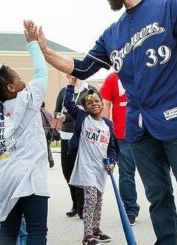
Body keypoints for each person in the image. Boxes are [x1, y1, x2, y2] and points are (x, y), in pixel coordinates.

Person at [32, 0, 177, 243]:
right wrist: (45, 50)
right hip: (138, 128)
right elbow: (82, 67)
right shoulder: (112, 34)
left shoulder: (169, 6)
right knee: (157, 196)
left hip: (175, 118)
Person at [0, 20, 49, 244]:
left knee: (7, 231)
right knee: (36, 232)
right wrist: (32, 43)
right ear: (11, 87)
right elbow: (42, 72)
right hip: (31, 180)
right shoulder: (28, 100)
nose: (23, 79)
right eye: (18, 77)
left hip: (3, 182)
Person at [64, 76, 118, 245]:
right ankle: (87, 235)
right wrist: (71, 84)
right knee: (91, 200)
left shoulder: (107, 125)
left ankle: (96, 229)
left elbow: (112, 147)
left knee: (99, 201)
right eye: (89, 102)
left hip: (100, 169)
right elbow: (68, 103)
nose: (94, 103)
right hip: (86, 167)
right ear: (85, 107)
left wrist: (112, 161)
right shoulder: (82, 118)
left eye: (97, 101)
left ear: (102, 104)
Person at [54, 76, 97, 218]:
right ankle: (75, 203)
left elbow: (91, 111)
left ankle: (83, 206)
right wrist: (59, 115)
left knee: (82, 172)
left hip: (83, 136)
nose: (70, 76)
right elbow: (56, 111)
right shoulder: (63, 91)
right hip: (66, 136)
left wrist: (68, 117)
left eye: (73, 73)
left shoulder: (89, 90)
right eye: (68, 74)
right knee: (67, 171)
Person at [100, 72, 139, 225]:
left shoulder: (147, 69)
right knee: (126, 174)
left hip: (149, 132)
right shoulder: (113, 78)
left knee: (157, 173)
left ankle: (167, 210)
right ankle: (130, 210)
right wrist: (105, 129)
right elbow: (106, 104)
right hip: (123, 134)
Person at [40, 102, 55, 168]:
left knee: (41, 147)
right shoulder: (49, 113)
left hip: (42, 130)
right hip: (49, 131)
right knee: (47, 145)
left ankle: (43, 162)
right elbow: (53, 122)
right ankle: (50, 160)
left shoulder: (38, 112)